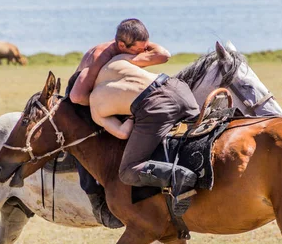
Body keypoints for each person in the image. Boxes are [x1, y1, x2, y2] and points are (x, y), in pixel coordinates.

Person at [67, 18, 171, 228]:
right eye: (138, 50)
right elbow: (77, 96)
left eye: (145, 47)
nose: (143, 52)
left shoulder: (129, 50)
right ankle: (96, 197)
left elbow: (164, 55)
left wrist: (128, 62)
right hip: (83, 103)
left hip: (110, 94)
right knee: (83, 143)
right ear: (121, 45)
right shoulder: (99, 57)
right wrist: (106, 103)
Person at [88, 55, 200, 199]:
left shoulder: (94, 108)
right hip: (178, 87)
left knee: (128, 171)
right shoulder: (114, 63)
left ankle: (179, 176)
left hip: (157, 107)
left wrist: (131, 117)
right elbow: (162, 54)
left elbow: (123, 133)